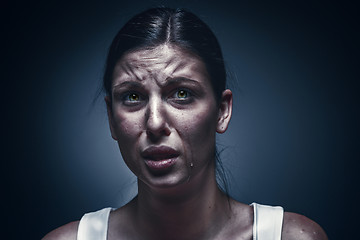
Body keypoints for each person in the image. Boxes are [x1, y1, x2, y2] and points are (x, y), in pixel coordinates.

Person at [43, 7, 328, 240]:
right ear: (111, 119)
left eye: (181, 94)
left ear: (222, 111)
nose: (155, 123)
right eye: (132, 96)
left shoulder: (291, 236)